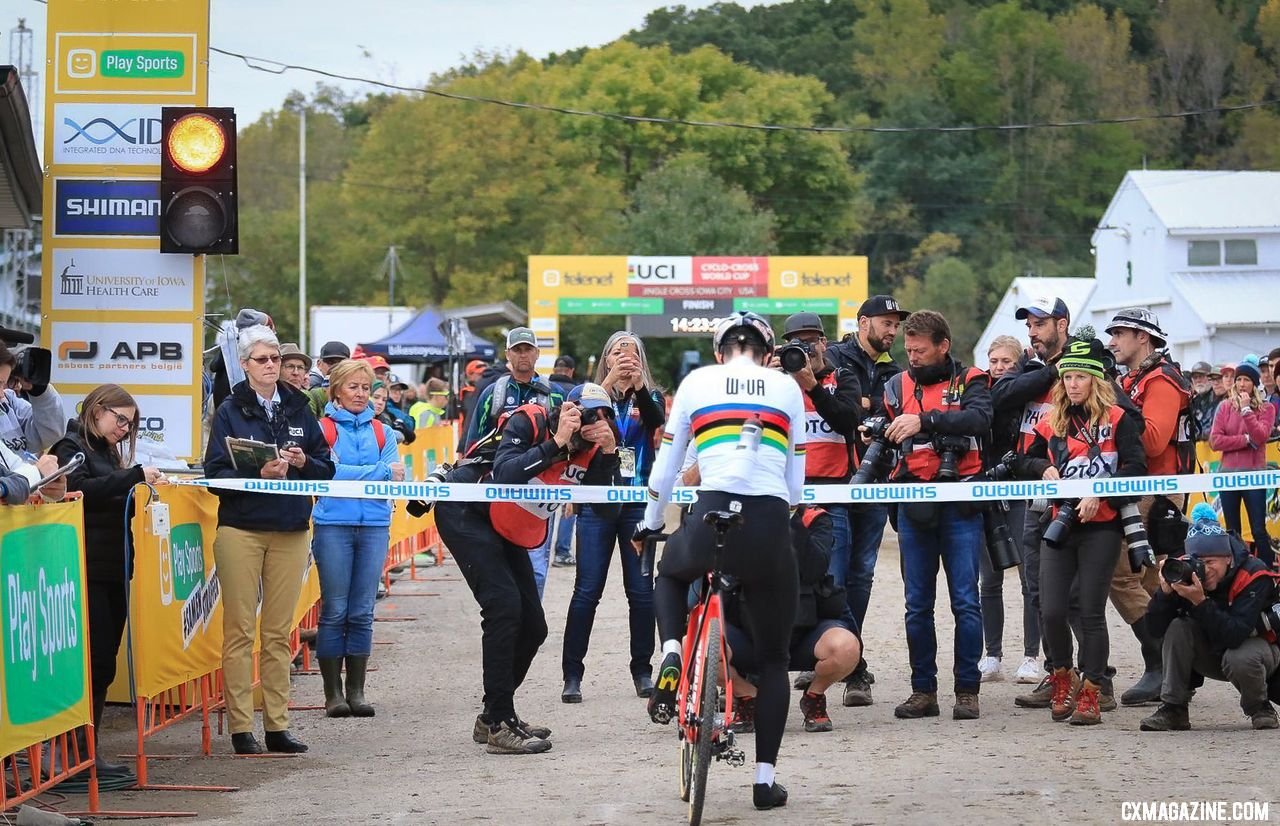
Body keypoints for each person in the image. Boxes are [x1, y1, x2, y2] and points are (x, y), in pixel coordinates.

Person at [634, 311, 805, 811]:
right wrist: (781, 508)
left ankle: (670, 650)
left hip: (709, 514)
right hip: (768, 520)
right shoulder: (785, 387)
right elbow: (796, 481)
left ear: (719, 352)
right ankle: (763, 781)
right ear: (768, 354)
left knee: (670, 573)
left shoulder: (696, 382)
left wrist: (649, 522)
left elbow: (666, 466)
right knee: (774, 662)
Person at [433, 382, 620, 755]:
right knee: (504, 607)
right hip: (468, 510)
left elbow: (606, 509)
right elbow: (505, 475)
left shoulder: (596, 449)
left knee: (534, 627)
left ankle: (491, 715)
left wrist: (611, 454)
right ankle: (500, 722)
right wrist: (556, 444)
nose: (592, 424)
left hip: (509, 525)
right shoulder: (530, 420)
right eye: (585, 414)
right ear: (566, 410)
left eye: (602, 417)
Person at [203, 325, 335, 755]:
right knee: (240, 631)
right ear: (244, 364)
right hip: (241, 528)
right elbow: (214, 476)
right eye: (262, 359)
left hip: (291, 528)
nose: (272, 366)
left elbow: (326, 467)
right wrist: (254, 473)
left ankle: (278, 725)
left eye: (276, 359)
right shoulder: (229, 409)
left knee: (278, 633)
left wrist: (303, 462)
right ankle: (242, 727)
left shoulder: (298, 406)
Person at [1012, 338, 1146, 725]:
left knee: (1090, 611)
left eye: (1079, 377)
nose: (1072, 384)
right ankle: (1061, 677)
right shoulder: (1053, 420)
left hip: (1102, 526)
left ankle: (1093, 689)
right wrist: (1042, 469)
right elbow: (1023, 460)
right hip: (1060, 523)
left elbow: (1136, 468)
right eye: (1067, 377)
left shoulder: (1117, 419)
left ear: (1094, 380)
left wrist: (1100, 492)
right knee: (1051, 610)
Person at [879, 310, 991, 721]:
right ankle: (922, 691)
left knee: (966, 602)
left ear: (943, 345)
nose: (913, 357)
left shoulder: (971, 379)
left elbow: (980, 418)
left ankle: (967, 690)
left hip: (960, 503)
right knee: (916, 605)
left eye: (921, 350)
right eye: (908, 350)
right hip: (914, 504)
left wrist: (923, 421)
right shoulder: (895, 385)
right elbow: (883, 428)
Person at [48, 386, 157, 776]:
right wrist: (133, 477)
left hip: (112, 567)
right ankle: (74, 753)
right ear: (97, 410)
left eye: (130, 423)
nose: (125, 430)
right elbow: (79, 492)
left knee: (104, 664)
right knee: (89, 662)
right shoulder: (70, 446)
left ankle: (86, 751)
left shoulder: (106, 451)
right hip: (84, 568)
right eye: (120, 419)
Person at [561, 333, 666, 704]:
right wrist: (604, 384)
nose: (626, 358)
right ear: (606, 358)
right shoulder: (586, 394)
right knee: (587, 591)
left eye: (633, 353)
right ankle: (572, 675)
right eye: (618, 352)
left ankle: (642, 671)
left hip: (637, 502)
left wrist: (637, 385)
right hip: (595, 502)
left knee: (641, 592)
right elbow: (580, 425)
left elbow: (654, 422)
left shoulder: (649, 396)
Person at [822, 294, 907, 706]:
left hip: (877, 479)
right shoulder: (836, 357)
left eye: (896, 324)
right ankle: (845, 662)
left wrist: (868, 408)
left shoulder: (897, 370)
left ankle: (847, 657)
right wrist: (867, 407)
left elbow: (896, 413)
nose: (892, 330)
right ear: (863, 323)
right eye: (885, 322)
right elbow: (843, 411)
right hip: (833, 479)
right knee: (832, 574)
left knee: (861, 575)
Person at [1107, 307, 1193, 705]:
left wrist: (1119, 399)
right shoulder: (1139, 377)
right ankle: (1172, 666)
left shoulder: (1161, 380)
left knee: (1119, 574)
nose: (1112, 342)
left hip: (1156, 489)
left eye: (1119, 333)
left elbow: (1156, 442)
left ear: (1143, 337)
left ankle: (1161, 663)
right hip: (1143, 486)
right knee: (1146, 581)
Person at [312, 359, 405, 719]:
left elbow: (398, 475)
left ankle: (357, 691)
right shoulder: (322, 429)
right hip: (333, 525)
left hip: (375, 526)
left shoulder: (381, 431)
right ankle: (332, 693)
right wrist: (379, 471)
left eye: (365, 388)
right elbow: (330, 472)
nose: (361, 394)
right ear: (336, 389)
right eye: (353, 387)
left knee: (363, 611)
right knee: (335, 609)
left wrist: (378, 473)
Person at [1141, 505, 1280, 731]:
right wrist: (1164, 595)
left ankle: (1259, 707)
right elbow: (1154, 631)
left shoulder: (1254, 575)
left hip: (1257, 651)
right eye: (1198, 562)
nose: (1204, 570)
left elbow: (1236, 635)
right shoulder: (1186, 574)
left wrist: (1200, 602)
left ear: (1228, 558)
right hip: (1212, 651)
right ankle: (1174, 708)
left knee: (1240, 656)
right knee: (1178, 627)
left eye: (1210, 562)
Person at [727, 506, 862, 735]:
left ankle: (814, 695)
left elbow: (815, 568)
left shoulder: (815, 519)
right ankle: (746, 695)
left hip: (804, 632)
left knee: (847, 647)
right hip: (749, 631)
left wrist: (790, 521)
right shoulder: (737, 517)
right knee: (696, 646)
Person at [462, 328, 563, 594]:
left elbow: (569, 444)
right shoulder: (491, 394)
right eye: (517, 350)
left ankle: (530, 629)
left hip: (540, 489)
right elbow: (473, 445)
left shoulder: (555, 395)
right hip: (499, 487)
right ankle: (509, 626)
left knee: (536, 567)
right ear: (507, 354)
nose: (522, 355)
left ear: (537, 354)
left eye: (527, 349)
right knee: (500, 563)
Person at [979, 335, 1040, 684]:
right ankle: (992, 655)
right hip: (988, 489)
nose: (1000, 368)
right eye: (995, 361)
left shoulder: (1027, 393)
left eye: (1007, 362)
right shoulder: (981, 391)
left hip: (1022, 491)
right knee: (989, 579)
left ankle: (1032, 656)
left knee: (1029, 579)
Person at [1209, 360, 1276, 564]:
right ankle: (1237, 570)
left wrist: (1247, 411)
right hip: (1228, 475)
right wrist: (1245, 441)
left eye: (1246, 379)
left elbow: (1260, 436)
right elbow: (1214, 441)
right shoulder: (1224, 407)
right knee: (1232, 529)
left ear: (1255, 384)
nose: (1241, 384)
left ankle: (1266, 572)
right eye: (1239, 379)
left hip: (1254, 475)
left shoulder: (1267, 408)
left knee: (1258, 528)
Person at [0, 341, 67, 455]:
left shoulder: (8, 401)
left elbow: (50, 433)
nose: (2, 394)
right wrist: (33, 471)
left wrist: (38, 390)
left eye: (4, 383)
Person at [210, 308, 273, 410]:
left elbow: (213, 366)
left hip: (223, 408)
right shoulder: (246, 350)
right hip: (237, 412)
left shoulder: (229, 347)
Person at [1188, 361, 1221, 443]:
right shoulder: (1193, 402)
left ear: (1210, 378)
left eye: (1201, 376)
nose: (1198, 380)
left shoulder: (1219, 398)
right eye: (1195, 377)